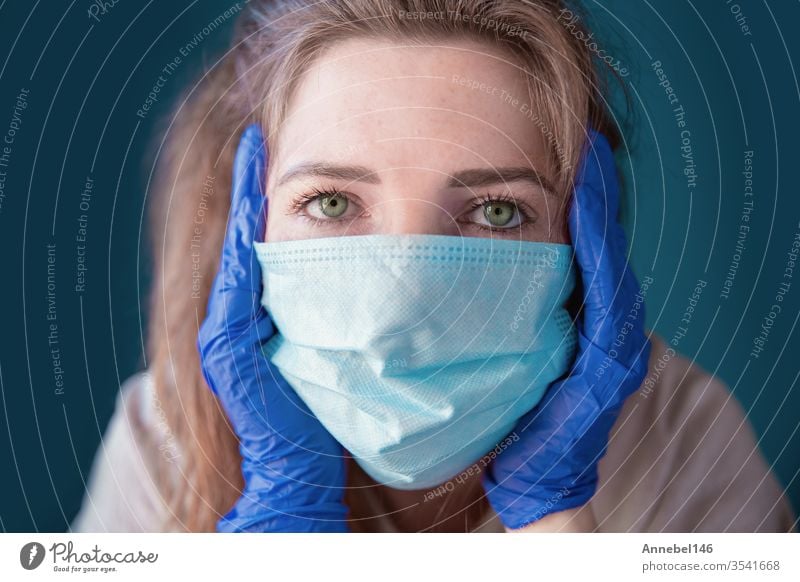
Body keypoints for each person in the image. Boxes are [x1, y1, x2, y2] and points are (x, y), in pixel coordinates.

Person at [70, 0, 794, 533]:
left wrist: (558, 525)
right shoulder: (164, 438)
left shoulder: (681, 435)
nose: (404, 300)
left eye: (497, 210)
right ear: (249, 217)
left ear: (582, 237)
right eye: (329, 202)